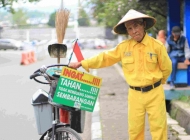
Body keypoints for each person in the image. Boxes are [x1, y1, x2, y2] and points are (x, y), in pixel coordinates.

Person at [69, 9, 172, 140]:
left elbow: (167, 68)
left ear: (143, 25)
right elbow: (105, 58)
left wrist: (158, 83)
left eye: (136, 26)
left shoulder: (157, 46)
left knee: (159, 130)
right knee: (135, 131)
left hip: (155, 92)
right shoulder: (124, 47)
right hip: (135, 94)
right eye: (130, 28)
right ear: (127, 31)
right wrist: (81, 63)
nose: (134, 31)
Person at [166, 26, 190, 90]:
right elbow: (166, 50)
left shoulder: (184, 39)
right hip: (173, 56)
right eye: (176, 34)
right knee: (173, 63)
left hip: (182, 56)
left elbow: (186, 49)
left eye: (178, 34)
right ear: (172, 33)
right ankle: (172, 82)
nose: (177, 35)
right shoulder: (169, 39)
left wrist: (187, 58)